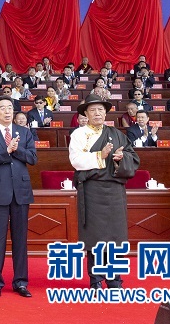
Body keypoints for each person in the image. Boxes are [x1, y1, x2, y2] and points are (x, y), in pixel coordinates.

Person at [69, 94, 139, 289]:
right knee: (95, 237)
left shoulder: (116, 134)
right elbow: (76, 161)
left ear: (106, 113)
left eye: (100, 109)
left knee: (116, 236)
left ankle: (115, 279)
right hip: (92, 189)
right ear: (86, 114)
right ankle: (96, 279)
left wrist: (120, 158)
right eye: (93, 110)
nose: (97, 113)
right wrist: (101, 155)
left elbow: (133, 157)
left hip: (115, 189)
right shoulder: (79, 134)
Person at [0, 98, 36, 298]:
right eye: (2, 108)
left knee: (20, 240)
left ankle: (20, 282)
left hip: (21, 191)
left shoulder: (24, 132)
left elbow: (33, 158)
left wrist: (17, 149)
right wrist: (6, 151)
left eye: (10, 108)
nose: (7, 111)